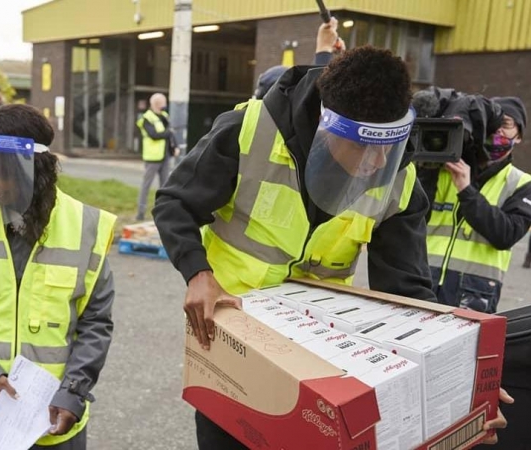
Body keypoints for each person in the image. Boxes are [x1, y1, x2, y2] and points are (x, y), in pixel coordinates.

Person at [152, 46, 510, 447]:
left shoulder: (398, 180)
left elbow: (407, 289)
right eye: (361, 145)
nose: (375, 162)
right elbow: (175, 202)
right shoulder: (247, 131)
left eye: (386, 147)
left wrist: (461, 386)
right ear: (326, 124)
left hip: (315, 345)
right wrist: (197, 272)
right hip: (234, 331)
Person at [0, 104, 116, 450]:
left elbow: (96, 322)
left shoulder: (86, 228)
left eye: (1, 173)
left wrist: (73, 394)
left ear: (37, 170)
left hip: (55, 417)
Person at [420, 94, 530, 313]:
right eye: (494, 124)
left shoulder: (522, 183)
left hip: (474, 295)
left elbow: (505, 235)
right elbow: (417, 214)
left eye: (506, 125)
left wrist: (466, 191)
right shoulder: (445, 167)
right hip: (424, 283)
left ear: (518, 136)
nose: (498, 131)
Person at [253, 17, 346, 99]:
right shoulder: (285, 117)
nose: (302, 94)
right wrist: (324, 49)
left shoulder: (258, 114)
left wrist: (336, 57)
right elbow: (317, 95)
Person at [135, 92, 172, 221]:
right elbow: (154, 135)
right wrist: (168, 133)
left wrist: (175, 147)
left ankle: (162, 213)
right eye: (163, 103)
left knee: (165, 187)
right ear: (157, 104)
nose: (165, 105)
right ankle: (140, 212)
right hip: (152, 158)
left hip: (164, 156)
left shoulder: (164, 116)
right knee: (146, 186)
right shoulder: (146, 119)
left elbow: (170, 134)